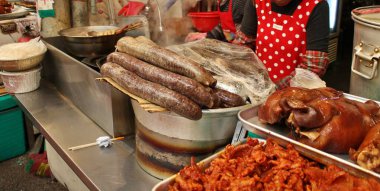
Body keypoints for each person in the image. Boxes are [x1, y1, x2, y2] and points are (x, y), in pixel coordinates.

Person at [234, 0, 330, 89]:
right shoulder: (257, 2)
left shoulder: (317, 6)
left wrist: (273, 90)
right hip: (257, 87)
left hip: (296, 93)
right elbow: (242, 46)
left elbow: (313, 67)